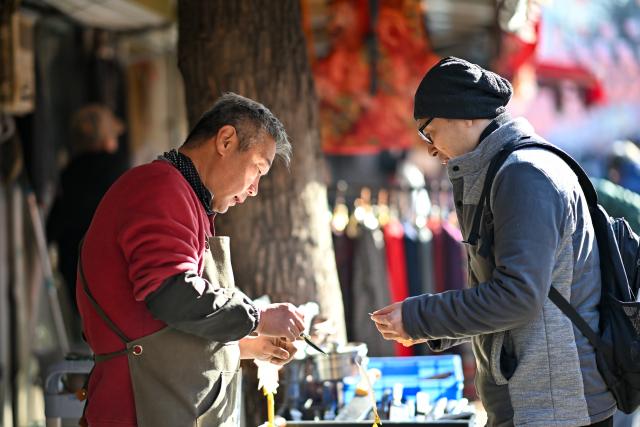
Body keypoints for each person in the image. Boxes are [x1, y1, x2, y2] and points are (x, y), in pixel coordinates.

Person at [371, 57, 617, 426]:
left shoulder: (524, 175)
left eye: (428, 131)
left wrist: (420, 317)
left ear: (465, 115)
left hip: (554, 406)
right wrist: (424, 324)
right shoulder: (504, 168)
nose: (430, 148)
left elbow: (517, 296)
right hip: (538, 400)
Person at [77, 93, 306, 427]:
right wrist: (257, 317)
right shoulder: (159, 188)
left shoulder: (187, 196)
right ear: (225, 140)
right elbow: (173, 294)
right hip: (136, 409)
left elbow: (165, 329)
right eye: (257, 168)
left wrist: (247, 345)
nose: (255, 188)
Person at [47, 104, 129, 313]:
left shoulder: (69, 172)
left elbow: (55, 222)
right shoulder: (117, 168)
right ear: (106, 139)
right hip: (111, 259)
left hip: (75, 259)